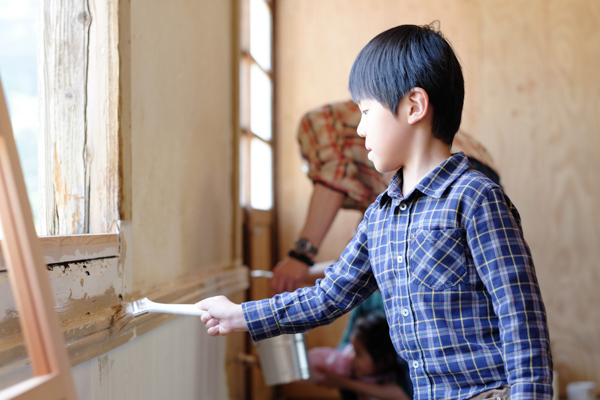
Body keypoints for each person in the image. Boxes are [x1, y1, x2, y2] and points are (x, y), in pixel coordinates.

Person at [197, 23, 553, 399]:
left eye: (366, 112)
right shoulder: (378, 218)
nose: (361, 130)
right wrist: (240, 315)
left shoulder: (475, 198)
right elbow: (327, 297)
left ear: (414, 106)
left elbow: (522, 317)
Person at [270, 100, 502, 295]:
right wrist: (304, 274)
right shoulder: (380, 197)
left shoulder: (315, 123)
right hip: (477, 164)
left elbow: (332, 179)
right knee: (467, 286)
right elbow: (364, 264)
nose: (362, 130)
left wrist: (300, 257)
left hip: (440, 166)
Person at [308, 313, 411, 400]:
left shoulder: (399, 376)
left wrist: (345, 383)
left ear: (383, 361)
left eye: (359, 354)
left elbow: (405, 395)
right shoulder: (350, 370)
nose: (352, 357)